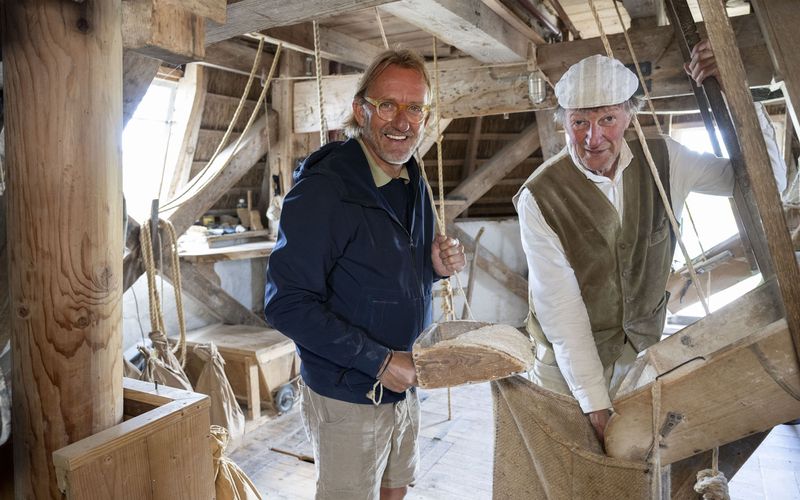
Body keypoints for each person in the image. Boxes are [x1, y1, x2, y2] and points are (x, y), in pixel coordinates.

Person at [513, 40, 786, 444]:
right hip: (564, 368)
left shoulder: (667, 161)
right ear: (563, 121)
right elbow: (561, 309)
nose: (592, 138)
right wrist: (594, 402)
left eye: (607, 119)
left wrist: (736, 89)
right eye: (578, 123)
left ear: (629, 114)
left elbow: (768, 185)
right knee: (570, 473)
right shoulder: (539, 196)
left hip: (640, 357)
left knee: (635, 474)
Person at [264, 49, 466, 500]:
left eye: (415, 107)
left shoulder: (414, 180)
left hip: (404, 380)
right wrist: (377, 361)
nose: (402, 120)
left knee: (396, 489)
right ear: (362, 110)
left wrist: (432, 269)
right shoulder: (323, 191)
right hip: (349, 393)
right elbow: (286, 304)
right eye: (388, 104)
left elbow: (383, 272)